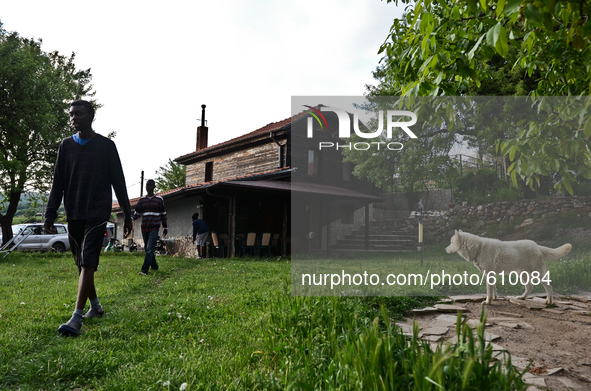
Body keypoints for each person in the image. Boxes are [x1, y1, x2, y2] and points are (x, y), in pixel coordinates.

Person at [44, 100, 133, 337]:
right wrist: (50, 215)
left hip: (97, 211)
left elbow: (119, 182)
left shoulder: (106, 146)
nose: (74, 118)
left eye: (79, 114)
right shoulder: (65, 146)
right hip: (74, 212)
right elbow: (58, 183)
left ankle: (76, 319)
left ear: (91, 116)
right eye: (71, 114)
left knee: (87, 260)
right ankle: (95, 306)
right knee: (80, 264)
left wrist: (128, 215)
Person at [132, 179, 168, 275]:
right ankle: (155, 266)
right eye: (147, 185)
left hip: (154, 227)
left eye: (150, 185)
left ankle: (144, 270)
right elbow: (137, 213)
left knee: (149, 249)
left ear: (154, 187)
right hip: (144, 227)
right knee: (148, 250)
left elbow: (163, 214)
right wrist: (129, 218)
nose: (148, 187)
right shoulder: (142, 200)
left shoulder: (159, 200)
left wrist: (165, 227)